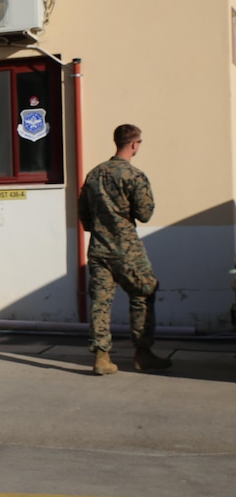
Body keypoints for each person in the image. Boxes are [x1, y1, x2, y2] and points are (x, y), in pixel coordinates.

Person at [78, 123, 171, 376]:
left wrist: (100, 227)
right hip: (127, 249)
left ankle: (101, 357)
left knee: (100, 302)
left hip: (99, 250)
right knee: (144, 291)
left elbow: (84, 216)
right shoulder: (134, 176)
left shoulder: (94, 175)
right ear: (134, 144)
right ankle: (143, 353)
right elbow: (145, 214)